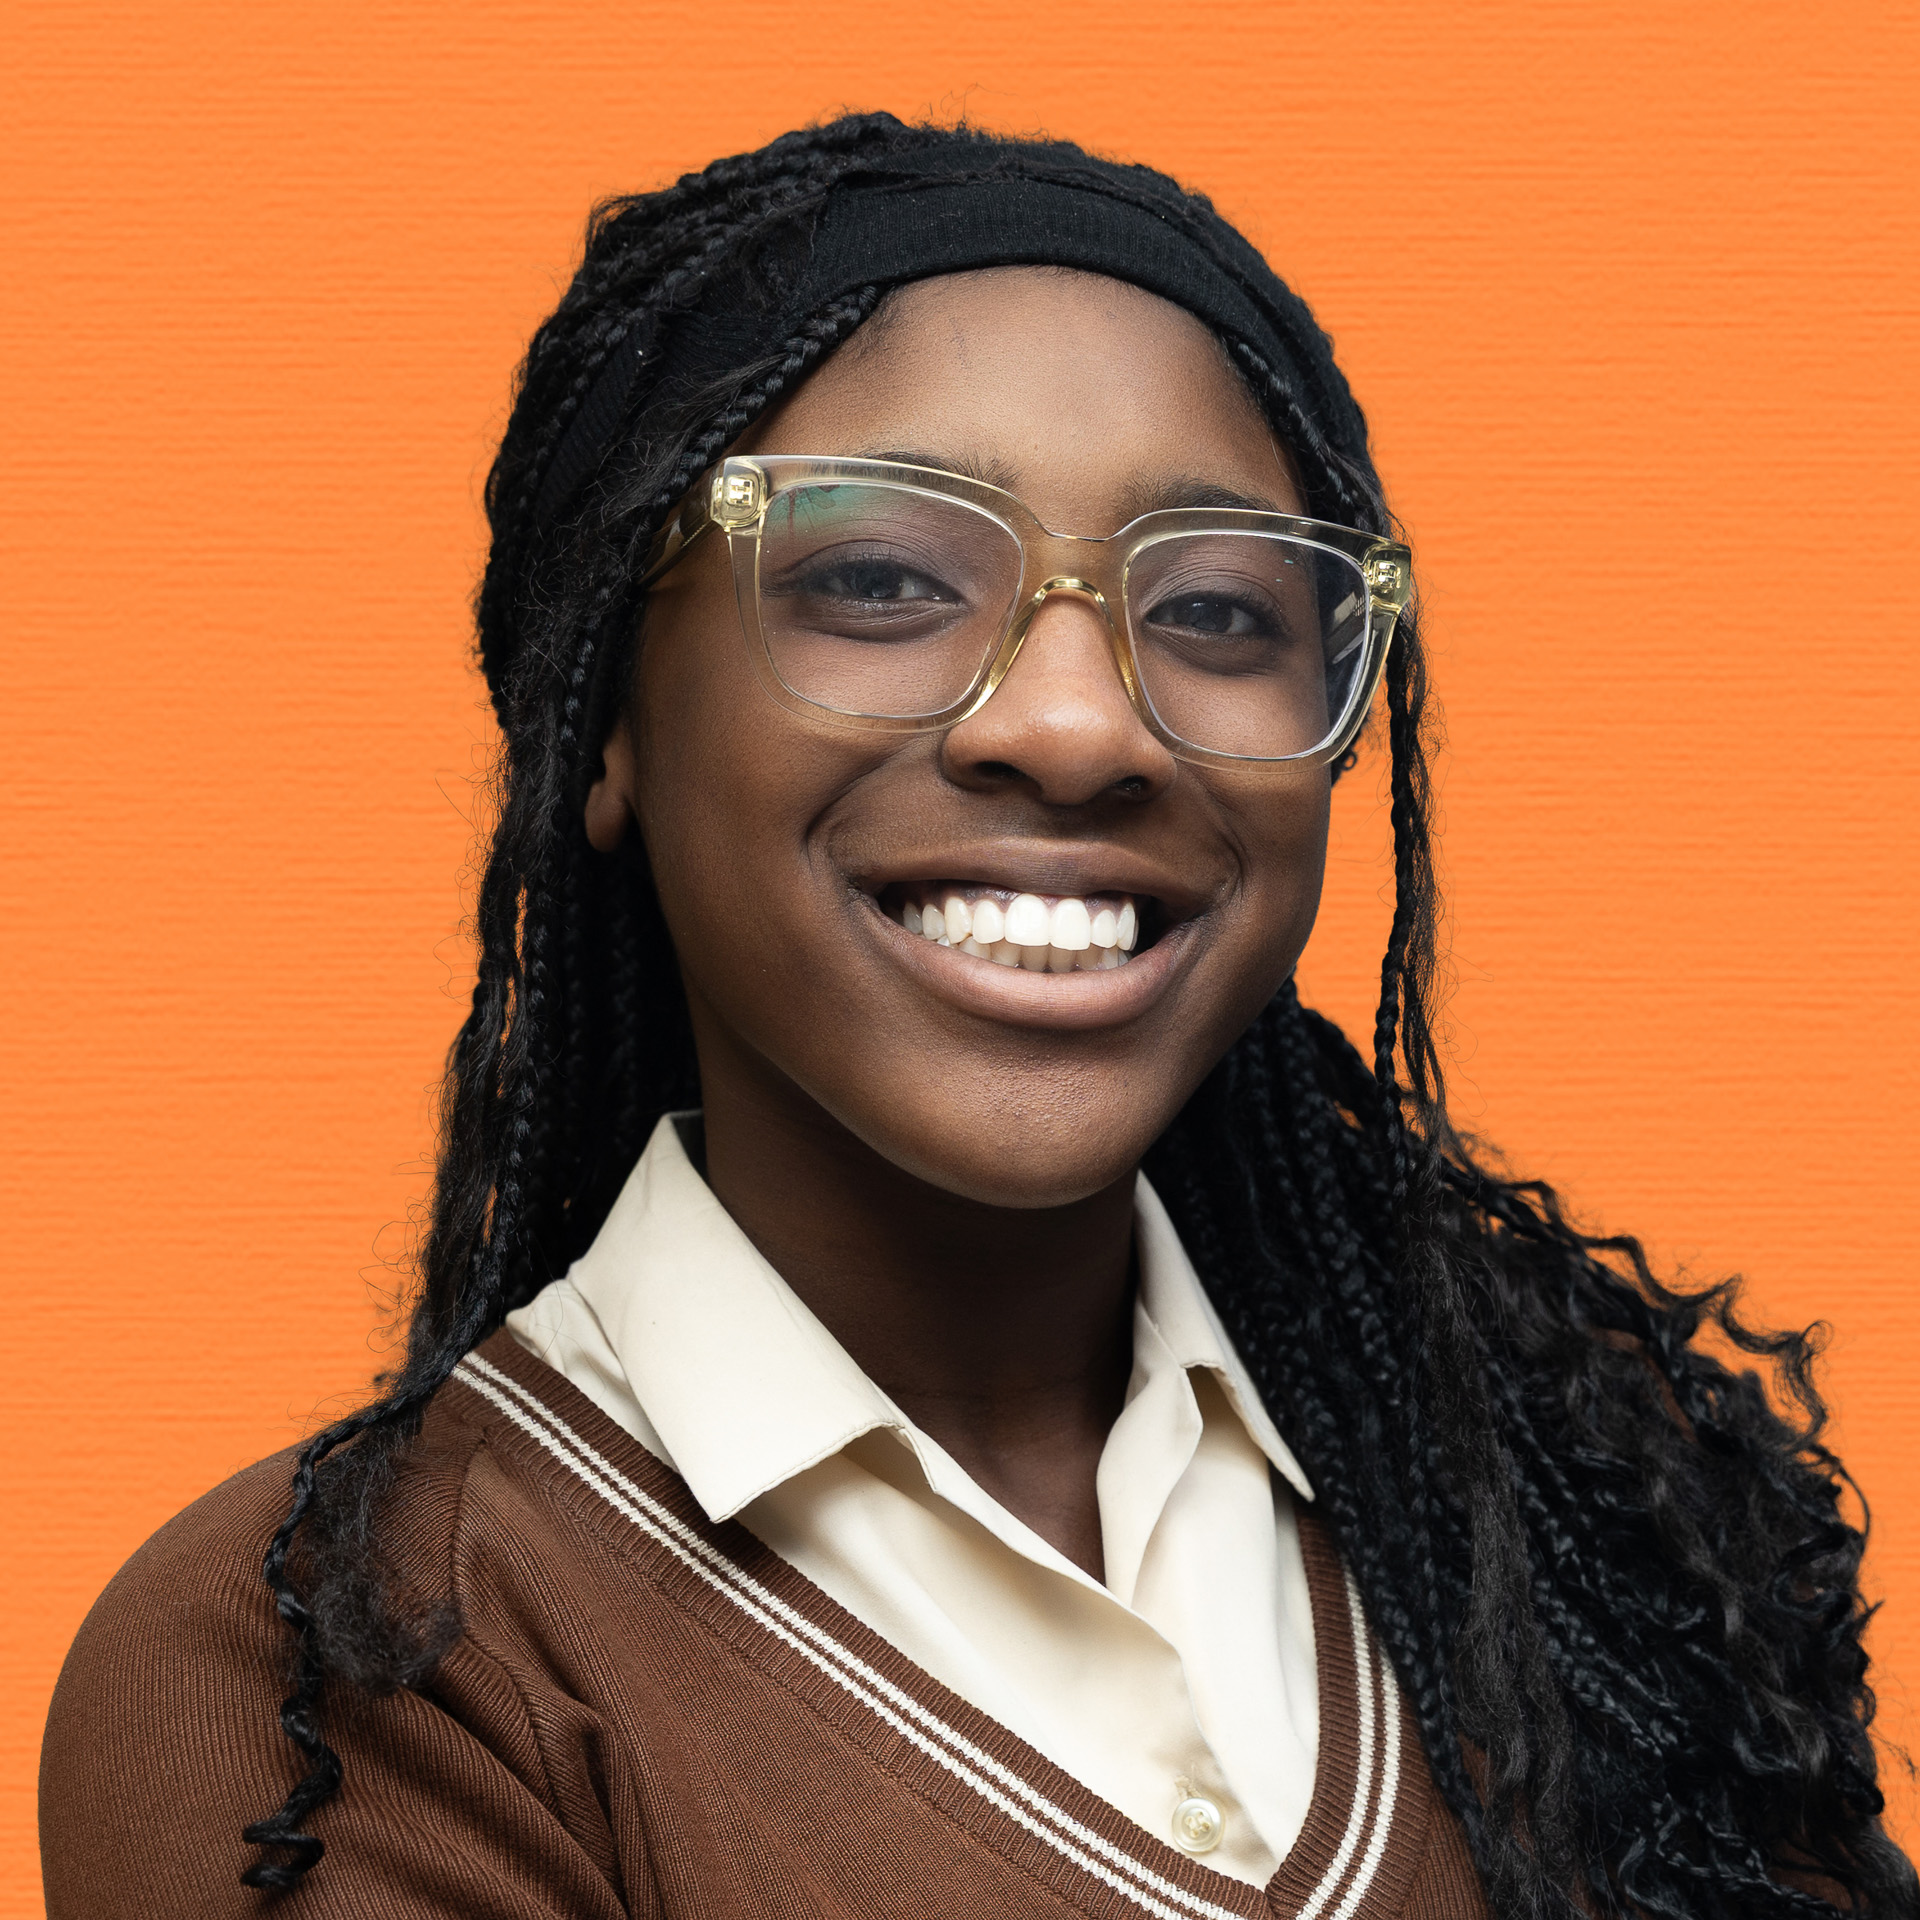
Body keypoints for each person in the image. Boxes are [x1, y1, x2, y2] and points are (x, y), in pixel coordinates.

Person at [38, 116, 1913, 1919]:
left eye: (1220, 611)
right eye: (879, 580)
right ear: (601, 713)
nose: (1081, 724)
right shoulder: (341, 1672)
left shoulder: (1601, 1539)